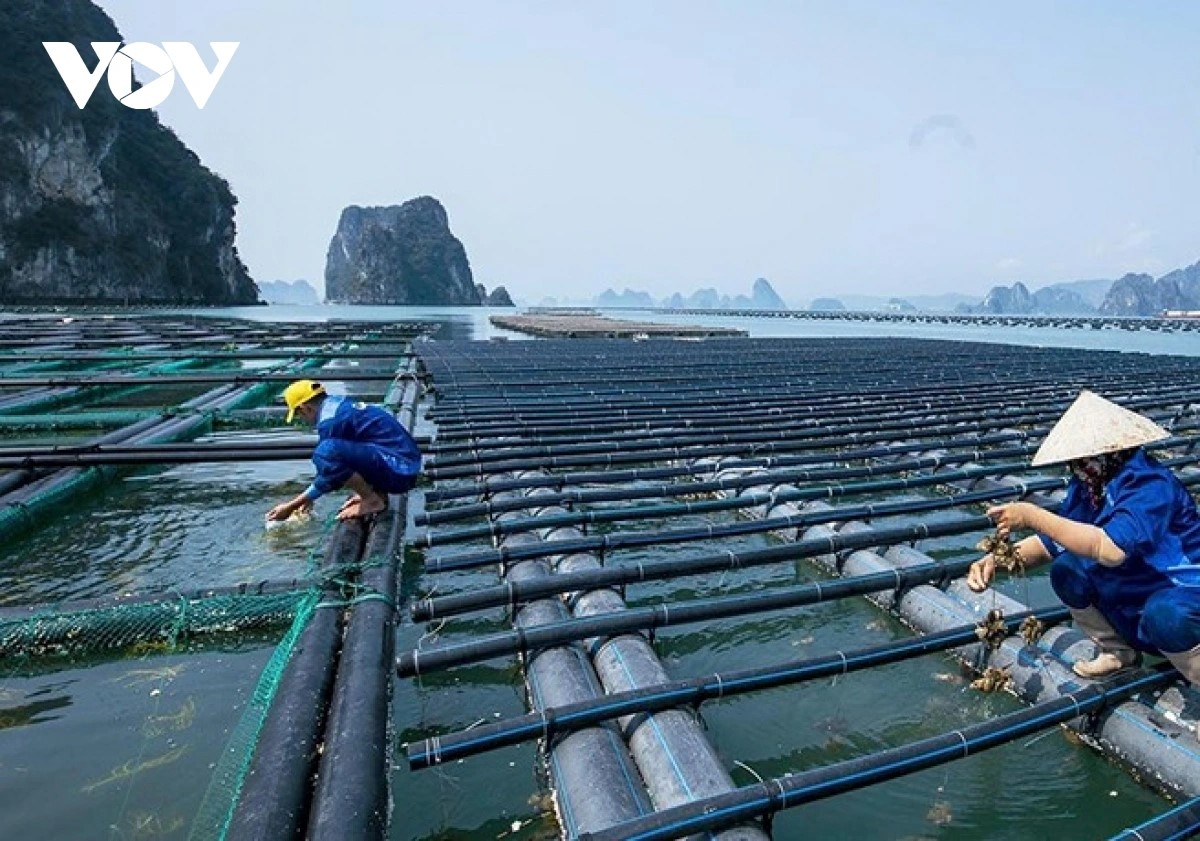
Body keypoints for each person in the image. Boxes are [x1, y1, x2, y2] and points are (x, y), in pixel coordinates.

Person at [967, 390, 1200, 684]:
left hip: (1185, 597)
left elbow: (1110, 549)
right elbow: (1051, 543)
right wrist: (996, 561)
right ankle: (1117, 653)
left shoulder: (1149, 485)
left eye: (1083, 458)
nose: (1078, 467)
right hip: (1141, 593)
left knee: (1165, 614)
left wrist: (1032, 516)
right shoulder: (1092, 486)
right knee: (1067, 569)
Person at [266, 379, 421, 522]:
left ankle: (371, 501)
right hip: (403, 465)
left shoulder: (330, 421)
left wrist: (291, 506)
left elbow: (329, 470)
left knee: (325, 452)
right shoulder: (337, 404)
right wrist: (308, 498)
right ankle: (375, 494)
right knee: (333, 451)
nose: (303, 419)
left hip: (399, 470)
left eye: (299, 415)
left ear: (305, 408)